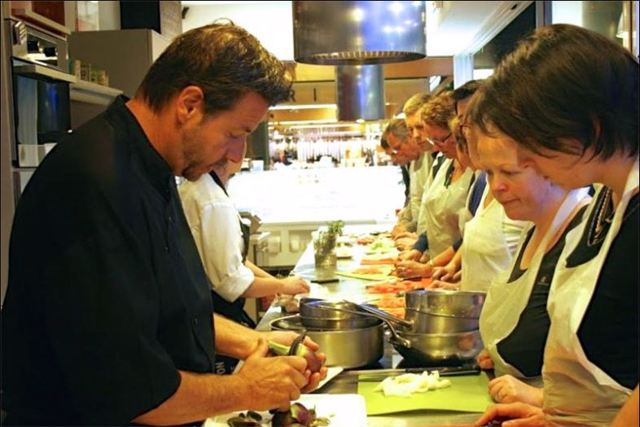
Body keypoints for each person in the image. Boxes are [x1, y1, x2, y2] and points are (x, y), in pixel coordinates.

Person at [2, 23, 327, 426]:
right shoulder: (97, 182)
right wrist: (248, 389)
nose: (237, 153)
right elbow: (131, 391)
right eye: (234, 134)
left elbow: (167, 311)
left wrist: (257, 342)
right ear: (189, 104)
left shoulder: (156, 168)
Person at [470, 24, 638, 427]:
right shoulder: (606, 199)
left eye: (532, 143)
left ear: (590, 127)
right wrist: (557, 412)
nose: (528, 162)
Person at [467, 123, 591, 403]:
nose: (496, 186)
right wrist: (502, 352)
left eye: (509, 172)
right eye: (489, 172)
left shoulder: (582, 236)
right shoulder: (532, 225)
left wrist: (541, 397)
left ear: (553, 167)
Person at [178, 148, 310, 374]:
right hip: (216, 314)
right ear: (233, 155)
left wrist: (274, 284)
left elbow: (237, 260)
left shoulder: (203, 189)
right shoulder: (211, 199)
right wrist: (282, 285)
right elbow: (231, 282)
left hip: (206, 315)